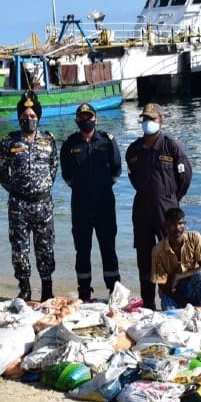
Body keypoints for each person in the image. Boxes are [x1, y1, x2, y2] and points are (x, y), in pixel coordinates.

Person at [125, 103, 192, 310]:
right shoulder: (133, 149)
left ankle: (172, 303)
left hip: (167, 210)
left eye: (152, 119)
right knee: (144, 258)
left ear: (160, 121)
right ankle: (148, 304)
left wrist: (171, 199)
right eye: (145, 119)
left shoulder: (172, 146)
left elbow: (185, 177)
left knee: (172, 257)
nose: (148, 123)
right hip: (142, 209)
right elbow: (133, 178)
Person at [0, 91, 58, 301]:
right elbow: (2, 171)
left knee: (45, 247)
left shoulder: (48, 139)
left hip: (43, 204)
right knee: (20, 249)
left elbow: (53, 167)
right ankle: (24, 287)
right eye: (24, 116)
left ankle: (47, 288)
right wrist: (16, 189)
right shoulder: (9, 141)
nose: (28, 119)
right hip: (19, 205)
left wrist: (42, 187)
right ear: (19, 118)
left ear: (38, 117)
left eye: (32, 116)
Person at [59, 102, 121, 301]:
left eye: (89, 117)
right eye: (82, 118)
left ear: (96, 118)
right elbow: (66, 175)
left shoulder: (108, 141)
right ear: (77, 121)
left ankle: (114, 292)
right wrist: (83, 189)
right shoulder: (70, 144)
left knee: (108, 248)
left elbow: (116, 170)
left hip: (104, 204)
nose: (86, 121)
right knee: (82, 250)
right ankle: (84, 292)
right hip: (80, 205)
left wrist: (100, 187)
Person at [150, 207, 201, 310]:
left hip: (192, 287)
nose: (177, 228)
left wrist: (179, 276)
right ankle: (190, 309)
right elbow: (162, 286)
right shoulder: (157, 251)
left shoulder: (195, 238)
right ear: (166, 226)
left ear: (184, 224)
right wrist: (185, 304)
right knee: (170, 316)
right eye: (173, 224)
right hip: (173, 292)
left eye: (180, 223)